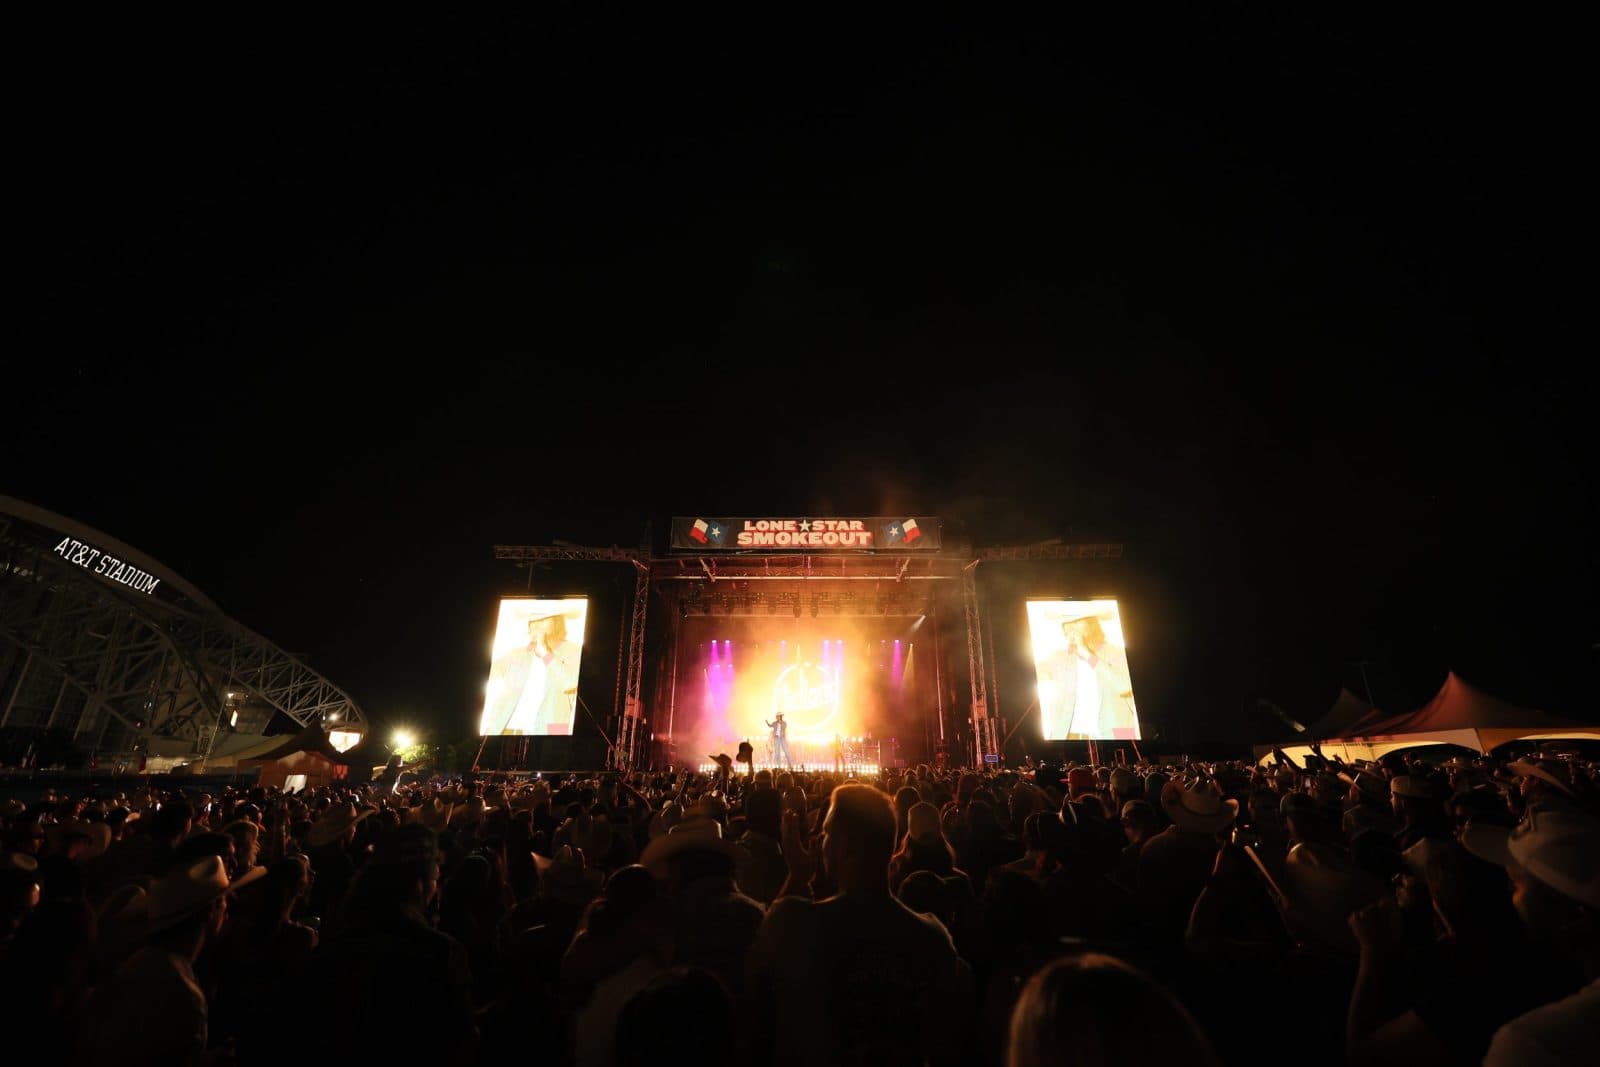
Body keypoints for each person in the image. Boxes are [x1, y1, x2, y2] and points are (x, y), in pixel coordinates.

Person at [479, 605, 584, 736]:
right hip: (506, 731)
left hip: (549, 734)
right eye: (533, 621)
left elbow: (569, 682)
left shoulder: (573, 651)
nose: (536, 625)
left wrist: (545, 653)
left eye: (543, 620)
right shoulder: (515, 654)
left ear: (556, 623)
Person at [1037, 608, 1138, 740]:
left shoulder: (1117, 653)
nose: (1070, 627)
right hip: (1070, 738)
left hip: (1115, 738)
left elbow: (1125, 685)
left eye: (1077, 621)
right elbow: (1031, 676)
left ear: (1092, 625)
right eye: (1066, 623)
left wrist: (1087, 654)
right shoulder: (1058, 657)